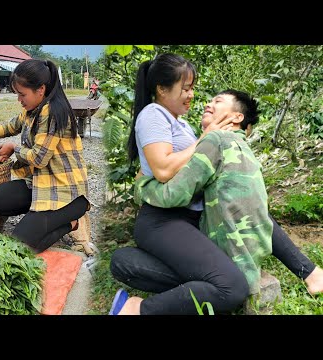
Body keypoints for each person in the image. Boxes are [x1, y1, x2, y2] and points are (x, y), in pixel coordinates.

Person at [109, 53, 323, 314]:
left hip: (191, 219)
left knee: (252, 209)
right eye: (185, 88)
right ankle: (136, 308)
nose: (193, 96)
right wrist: (205, 139)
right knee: (232, 286)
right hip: (164, 220)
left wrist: (207, 138)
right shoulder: (154, 114)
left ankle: (310, 273)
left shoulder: (187, 126)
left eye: (192, 88)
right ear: (162, 89)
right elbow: (165, 170)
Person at [0, 59, 90, 253]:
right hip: (40, 183)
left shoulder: (53, 113)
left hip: (65, 193)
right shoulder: (33, 110)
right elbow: (10, 126)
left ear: (41, 89)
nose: (19, 100)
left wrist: (13, 148)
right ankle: (40, 221)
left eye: (22, 94)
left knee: (19, 246)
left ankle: (70, 223)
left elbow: (39, 159)